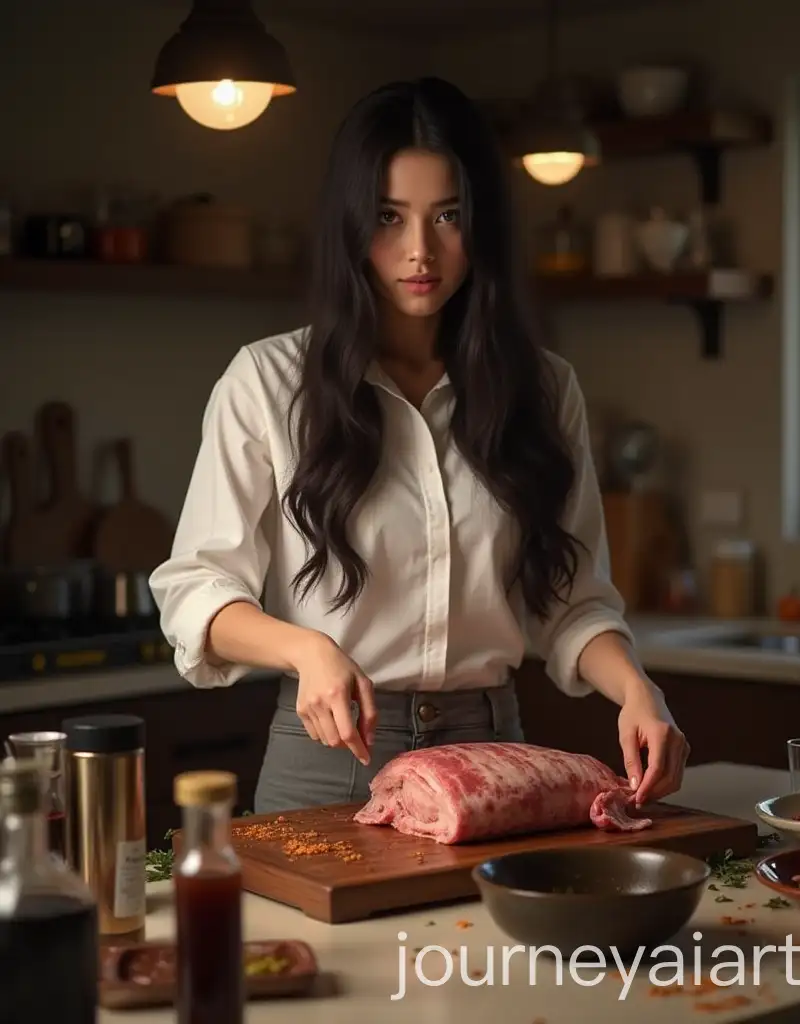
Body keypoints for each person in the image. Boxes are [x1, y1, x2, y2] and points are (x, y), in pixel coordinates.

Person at [148, 76, 689, 815]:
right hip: (328, 762)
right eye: (388, 217)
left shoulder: (542, 388)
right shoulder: (267, 383)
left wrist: (637, 690)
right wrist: (308, 651)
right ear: (349, 225)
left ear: (482, 227)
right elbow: (196, 591)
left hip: (494, 760)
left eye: (448, 216)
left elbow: (572, 601)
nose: (419, 250)